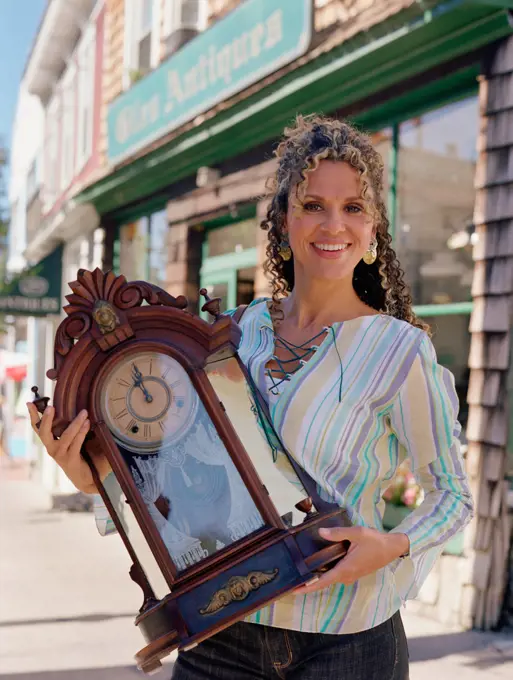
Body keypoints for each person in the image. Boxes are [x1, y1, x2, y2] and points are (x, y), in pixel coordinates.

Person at [28, 115, 474, 680]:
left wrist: (393, 544)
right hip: (220, 633)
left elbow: (453, 495)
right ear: (285, 219)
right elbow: (178, 477)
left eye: (354, 208)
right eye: (313, 204)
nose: (333, 223)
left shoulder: (399, 352)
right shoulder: (234, 332)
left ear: (372, 231)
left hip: (347, 645)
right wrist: (100, 480)